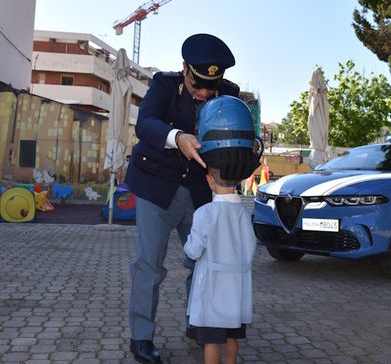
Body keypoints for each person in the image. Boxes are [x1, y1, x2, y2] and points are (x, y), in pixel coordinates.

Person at [125, 33, 239, 363]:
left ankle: (200, 327)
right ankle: (141, 339)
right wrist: (177, 137)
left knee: (204, 264)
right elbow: (145, 124)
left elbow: (240, 129)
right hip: (157, 185)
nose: (204, 93)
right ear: (185, 69)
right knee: (149, 264)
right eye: (198, 84)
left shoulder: (229, 94)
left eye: (210, 87)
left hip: (202, 191)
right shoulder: (163, 84)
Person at [183, 166, 257, 364]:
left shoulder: (204, 213)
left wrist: (188, 245)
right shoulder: (244, 212)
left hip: (212, 287)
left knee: (211, 339)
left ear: (209, 180)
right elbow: (250, 248)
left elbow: (194, 250)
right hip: (236, 286)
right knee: (232, 335)